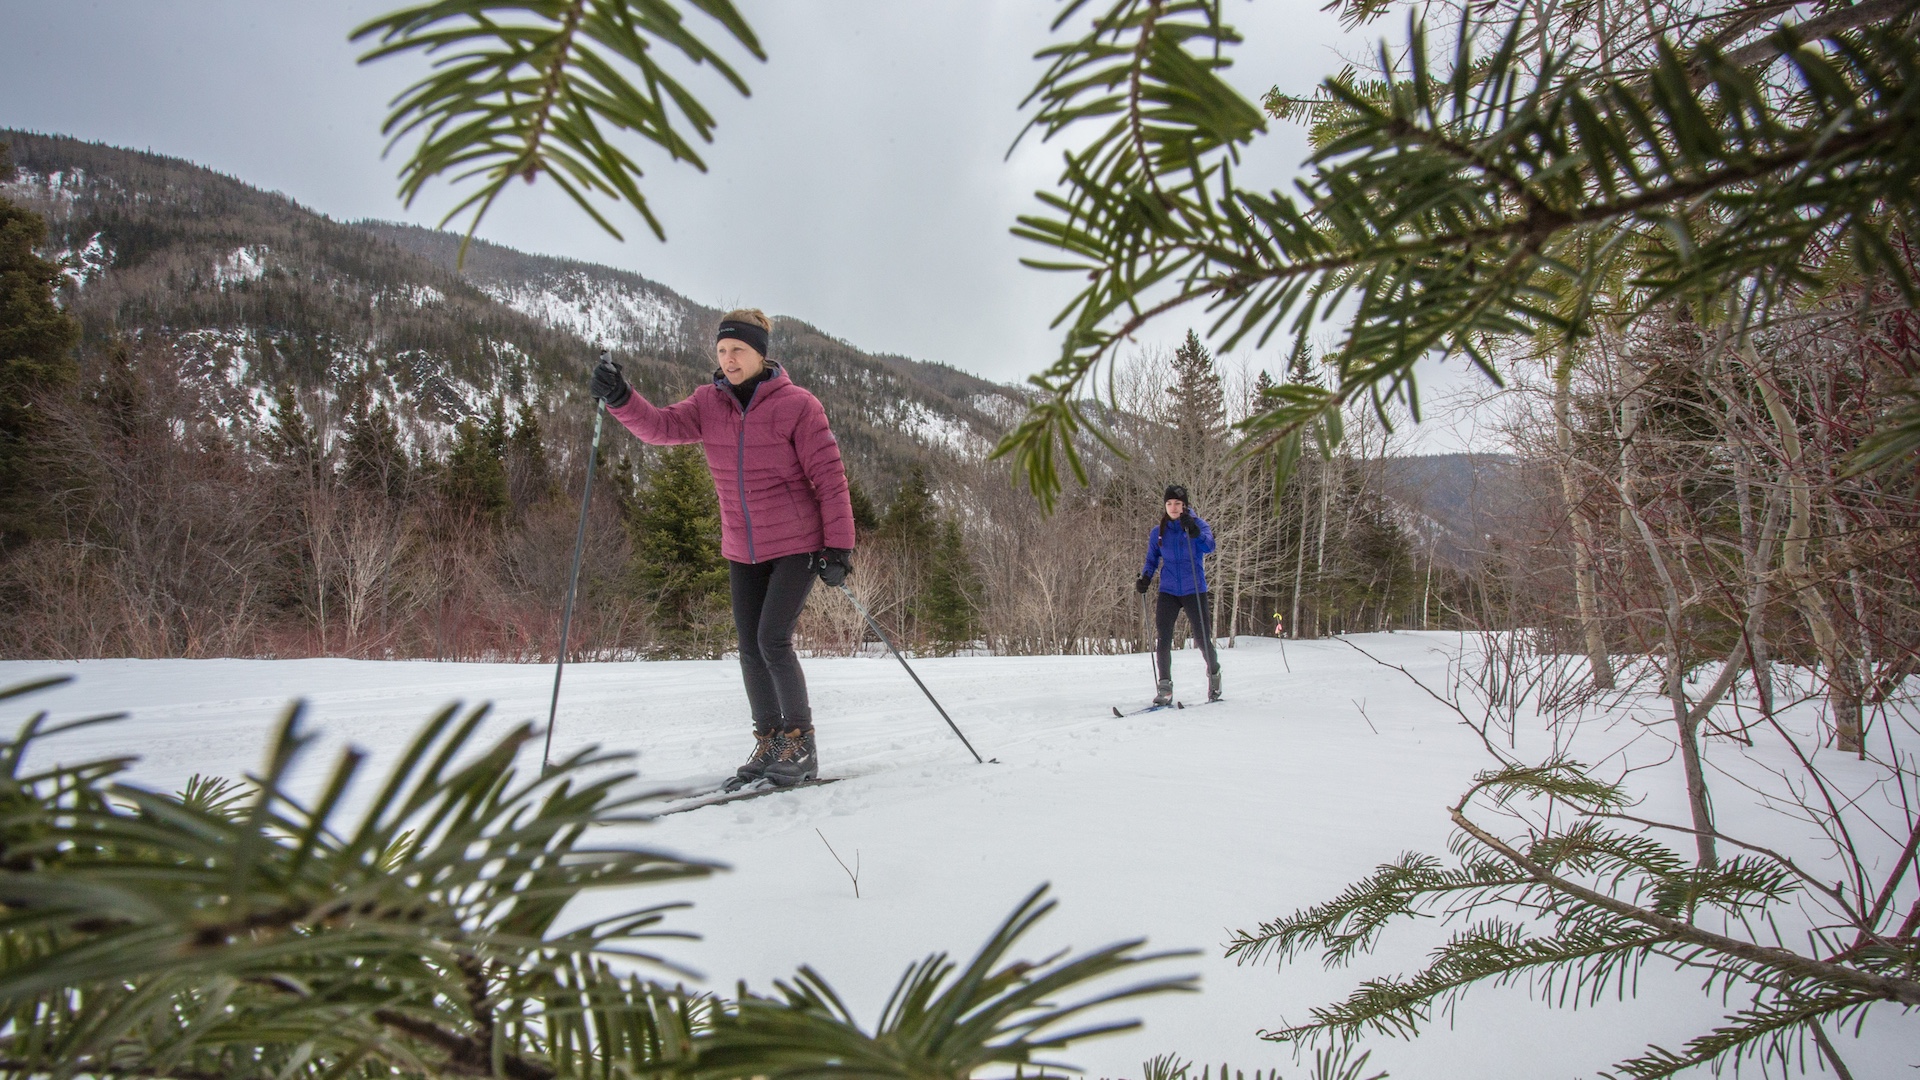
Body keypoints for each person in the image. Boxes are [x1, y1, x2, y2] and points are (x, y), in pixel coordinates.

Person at [590, 309, 856, 789]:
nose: (729, 360)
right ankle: (772, 740)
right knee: (750, 649)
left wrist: (838, 548)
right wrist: (621, 398)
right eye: (721, 351)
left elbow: (830, 479)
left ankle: (801, 744)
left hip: (797, 542)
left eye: (738, 351)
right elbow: (659, 428)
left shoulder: (799, 406)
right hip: (741, 545)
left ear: (760, 353)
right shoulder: (707, 404)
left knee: (772, 640)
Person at [1134, 484, 1221, 705]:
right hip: (1169, 590)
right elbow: (1151, 559)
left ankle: (1214, 676)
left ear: (1185, 505)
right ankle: (1165, 688)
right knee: (1163, 638)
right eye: (1169, 503)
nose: (1173, 507)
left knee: (1202, 639)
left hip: (1194, 589)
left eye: (1178, 503)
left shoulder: (1198, 525)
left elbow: (1210, 546)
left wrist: (1195, 532)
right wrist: (1145, 578)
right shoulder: (1159, 532)